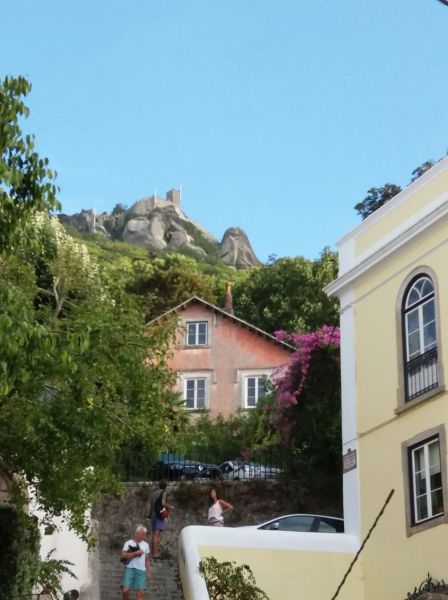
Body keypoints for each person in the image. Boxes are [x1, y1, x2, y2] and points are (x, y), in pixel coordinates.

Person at [120, 524, 151, 600]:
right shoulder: (128, 543)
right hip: (129, 569)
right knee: (125, 590)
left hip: (141, 571)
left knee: (140, 593)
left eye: (144, 535)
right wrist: (135, 553)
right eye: (142, 534)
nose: (144, 536)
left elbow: (147, 560)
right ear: (137, 533)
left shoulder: (146, 545)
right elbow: (123, 555)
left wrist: (148, 572)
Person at [149, 480, 174, 559]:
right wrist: (170, 507)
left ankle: (153, 552)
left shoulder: (154, 493)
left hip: (153, 515)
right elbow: (163, 503)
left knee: (154, 535)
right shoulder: (164, 493)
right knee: (157, 535)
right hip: (159, 515)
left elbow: (151, 504)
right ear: (166, 486)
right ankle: (155, 553)